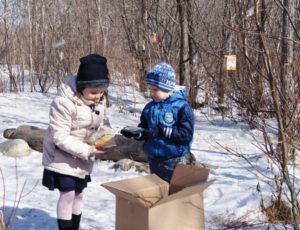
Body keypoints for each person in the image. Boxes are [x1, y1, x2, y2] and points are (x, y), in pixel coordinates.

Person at [42, 54, 111, 230]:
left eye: (102, 91)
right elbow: (59, 136)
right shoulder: (63, 102)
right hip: (61, 155)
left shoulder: (100, 99)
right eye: (93, 92)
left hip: (83, 155)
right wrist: (87, 150)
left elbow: (103, 122)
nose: (98, 96)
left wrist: (104, 134)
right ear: (81, 87)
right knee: (68, 193)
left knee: (79, 194)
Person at [121, 62, 195, 182]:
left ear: (168, 88)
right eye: (150, 89)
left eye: (155, 89)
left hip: (174, 160)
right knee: (158, 192)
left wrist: (162, 130)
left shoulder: (181, 107)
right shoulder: (149, 107)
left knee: (173, 194)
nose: (151, 93)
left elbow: (186, 135)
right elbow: (146, 129)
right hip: (153, 159)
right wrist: (138, 133)